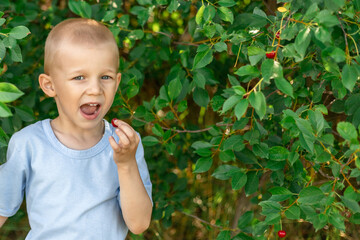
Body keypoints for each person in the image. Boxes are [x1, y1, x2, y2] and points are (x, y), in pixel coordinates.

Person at [0, 18, 152, 239]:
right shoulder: (29, 143)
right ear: (49, 85)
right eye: (79, 77)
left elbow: (139, 224)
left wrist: (126, 164)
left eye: (105, 77)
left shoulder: (125, 145)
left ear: (117, 82)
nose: (95, 89)